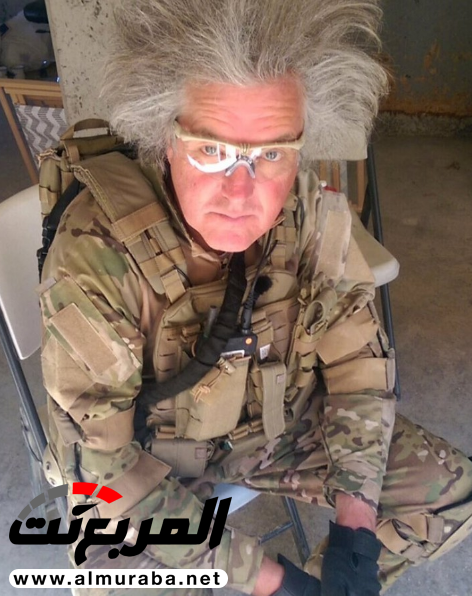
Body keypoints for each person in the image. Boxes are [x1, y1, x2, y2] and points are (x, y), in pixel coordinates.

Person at [38, 1, 472, 595]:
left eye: (271, 153)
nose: (241, 192)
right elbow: (107, 476)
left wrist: (356, 524)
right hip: (150, 460)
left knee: (449, 494)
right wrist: (271, 580)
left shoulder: (307, 210)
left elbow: (358, 364)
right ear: (166, 139)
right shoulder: (96, 250)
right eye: (210, 149)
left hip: (277, 429)